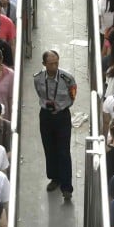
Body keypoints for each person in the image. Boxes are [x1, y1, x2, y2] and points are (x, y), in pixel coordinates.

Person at [34, 49, 77, 201]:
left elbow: (72, 97)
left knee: (64, 151)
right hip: (45, 115)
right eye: (50, 64)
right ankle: (54, 177)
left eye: (56, 63)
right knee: (49, 147)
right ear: (44, 64)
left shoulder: (67, 79)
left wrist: (59, 106)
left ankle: (67, 187)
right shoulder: (38, 78)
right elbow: (39, 94)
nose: (54, 66)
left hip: (62, 115)